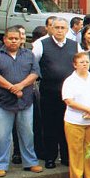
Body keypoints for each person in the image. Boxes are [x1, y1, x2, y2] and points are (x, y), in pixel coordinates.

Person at [0, 27, 41, 175]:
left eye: (16, 38)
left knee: (27, 133)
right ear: (5, 39)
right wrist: (12, 88)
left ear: (21, 39)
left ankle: (30, 162)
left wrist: (21, 86)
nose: (14, 41)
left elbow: (35, 73)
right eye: (10, 38)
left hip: (25, 101)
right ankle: (0, 164)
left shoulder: (29, 54)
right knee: (2, 135)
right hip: (3, 102)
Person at [34, 18, 79, 168]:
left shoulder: (75, 45)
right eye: (57, 27)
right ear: (51, 29)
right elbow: (34, 64)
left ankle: (66, 157)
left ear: (67, 30)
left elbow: (79, 64)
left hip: (69, 95)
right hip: (49, 93)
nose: (59, 30)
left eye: (62, 28)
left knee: (67, 125)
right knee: (49, 126)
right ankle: (50, 157)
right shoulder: (41, 44)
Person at [61, 52, 90, 178]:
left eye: (87, 62)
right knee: (76, 150)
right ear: (75, 65)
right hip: (74, 121)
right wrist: (87, 109)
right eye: (81, 62)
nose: (85, 64)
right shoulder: (70, 81)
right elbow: (69, 101)